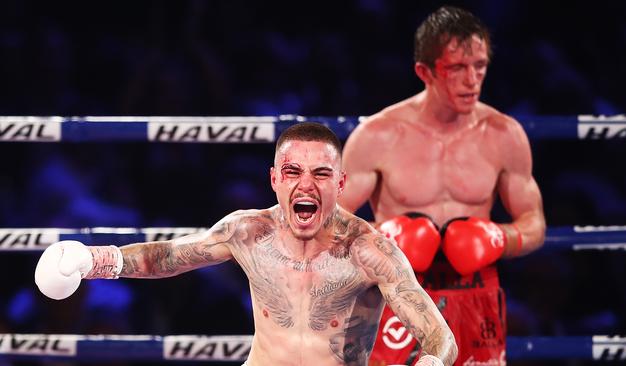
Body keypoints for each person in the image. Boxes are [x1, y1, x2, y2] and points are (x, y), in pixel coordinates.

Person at [34, 122, 458, 366]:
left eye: (321, 174)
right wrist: (93, 259)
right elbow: (167, 257)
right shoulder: (248, 232)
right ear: (274, 180)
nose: (305, 184)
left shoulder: (370, 251)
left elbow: (440, 337)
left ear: (341, 183)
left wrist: (433, 363)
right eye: (292, 172)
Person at [339, 6, 546, 366]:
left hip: (477, 294)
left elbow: (534, 223)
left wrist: (498, 237)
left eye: (479, 66)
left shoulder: (504, 135)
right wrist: (382, 238)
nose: (472, 80)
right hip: (400, 292)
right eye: (457, 68)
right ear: (425, 71)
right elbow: (328, 223)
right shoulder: (378, 135)